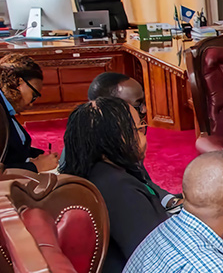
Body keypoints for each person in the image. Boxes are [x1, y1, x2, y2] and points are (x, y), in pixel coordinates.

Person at [60, 97, 166, 273]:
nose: (144, 135)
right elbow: (156, 259)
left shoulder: (94, 173)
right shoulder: (119, 189)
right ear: (117, 138)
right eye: (139, 128)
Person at [57, 72, 182, 210]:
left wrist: (170, 201)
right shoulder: (95, 157)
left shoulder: (119, 139)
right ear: (109, 108)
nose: (144, 109)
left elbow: (144, 182)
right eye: (137, 105)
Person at [0, 54, 58, 172]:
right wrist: (36, 166)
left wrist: (37, 156)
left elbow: (10, 148)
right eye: (34, 95)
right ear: (19, 83)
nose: (31, 104)